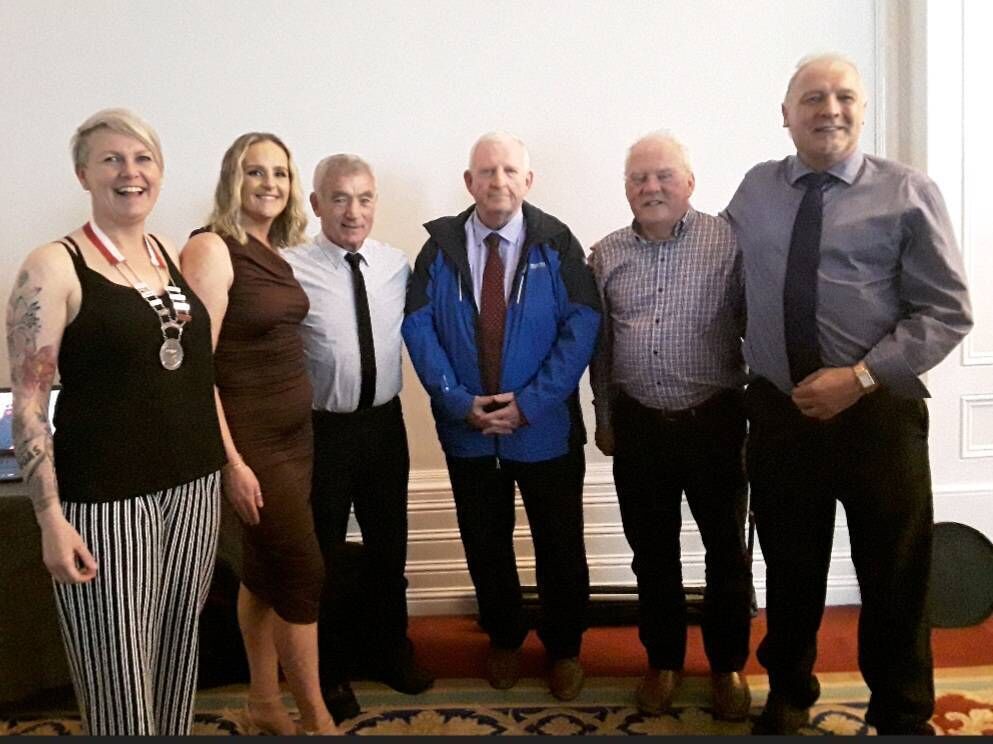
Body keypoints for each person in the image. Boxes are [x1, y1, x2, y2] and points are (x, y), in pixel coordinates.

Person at [724, 53, 973, 735]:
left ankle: (901, 713)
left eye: (843, 97)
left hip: (876, 415)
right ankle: (788, 689)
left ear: (862, 110)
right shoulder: (755, 188)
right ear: (785, 115)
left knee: (894, 574)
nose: (828, 109)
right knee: (789, 567)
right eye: (812, 98)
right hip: (780, 414)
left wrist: (859, 378)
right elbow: (721, 270)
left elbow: (946, 311)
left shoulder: (906, 192)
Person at [4, 108, 225, 735]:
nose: (131, 172)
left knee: (176, 666)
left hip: (193, 487)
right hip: (107, 502)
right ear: (83, 175)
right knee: (118, 681)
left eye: (142, 158)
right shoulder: (53, 265)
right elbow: (28, 402)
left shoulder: (165, 253)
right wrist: (50, 518)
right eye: (112, 159)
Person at [403, 131, 601, 701]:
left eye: (510, 170)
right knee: (485, 545)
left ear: (528, 180)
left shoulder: (557, 243)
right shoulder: (438, 249)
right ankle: (505, 638)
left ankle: (564, 649)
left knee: (560, 546)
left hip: (545, 431)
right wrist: (457, 400)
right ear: (469, 182)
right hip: (468, 432)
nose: (498, 181)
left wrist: (530, 404)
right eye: (487, 171)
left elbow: (583, 325)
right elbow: (418, 326)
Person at [589, 132, 753, 720]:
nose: (651, 187)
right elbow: (601, 350)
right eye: (638, 178)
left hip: (715, 422)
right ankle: (663, 661)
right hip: (640, 428)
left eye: (663, 176)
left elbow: (755, 327)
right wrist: (605, 418)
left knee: (726, 554)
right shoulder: (606, 254)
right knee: (652, 556)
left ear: (689, 182)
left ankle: (728, 666)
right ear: (626, 188)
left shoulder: (728, 242)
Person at [180, 133, 337, 735]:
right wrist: (231, 461)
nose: (270, 183)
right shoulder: (211, 248)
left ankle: (264, 704)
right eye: (255, 171)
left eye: (280, 172)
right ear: (232, 179)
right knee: (302, 573)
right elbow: (194, 368)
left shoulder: (272, 248)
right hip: (252, 446)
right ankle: (318, 720)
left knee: (264, 576)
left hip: (295, 440)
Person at [284, 154, 433, 720]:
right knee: (321, 555)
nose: (353, 211)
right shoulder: (290, 267)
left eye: (364, 198)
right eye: (340, 198)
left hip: (383, 427)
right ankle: (328, 670)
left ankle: (391, 650)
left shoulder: (396, 264)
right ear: (316, 204)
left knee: (389, 548)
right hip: (322, 430)